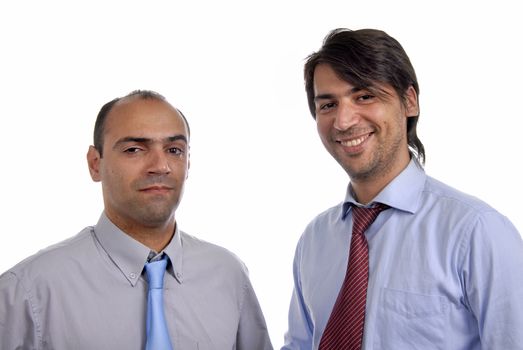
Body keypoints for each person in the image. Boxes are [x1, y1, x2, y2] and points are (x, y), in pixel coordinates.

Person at [282, 28, 523, 350]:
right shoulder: (315, 240)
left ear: (409, 101)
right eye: (328, 105)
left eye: (364, 96)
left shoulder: (477, 232)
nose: (343, 121)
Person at [0, 90, 273, 350]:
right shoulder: (27, 292)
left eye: (174, 150)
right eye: (134, 149)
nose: (160, 165)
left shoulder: (228, 275)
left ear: (188, 163)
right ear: (95, 163)